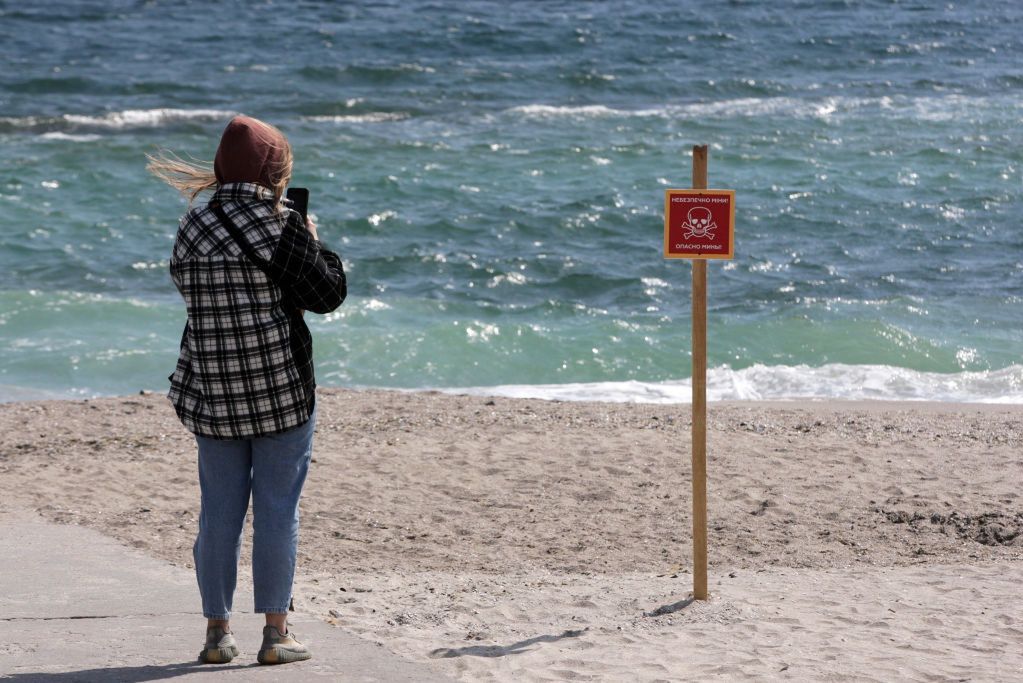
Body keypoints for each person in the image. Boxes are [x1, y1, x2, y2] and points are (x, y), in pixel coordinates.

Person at [147, 115, 346, 665]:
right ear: (274, 169)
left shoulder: (192, 225)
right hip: (281, 389)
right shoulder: (280, 226)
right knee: (278, 511)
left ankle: (217, 634)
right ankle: (276, 635)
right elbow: (329, 295)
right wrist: (313, 241)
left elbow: (188, 288)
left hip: (212, 389)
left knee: (219, 513)